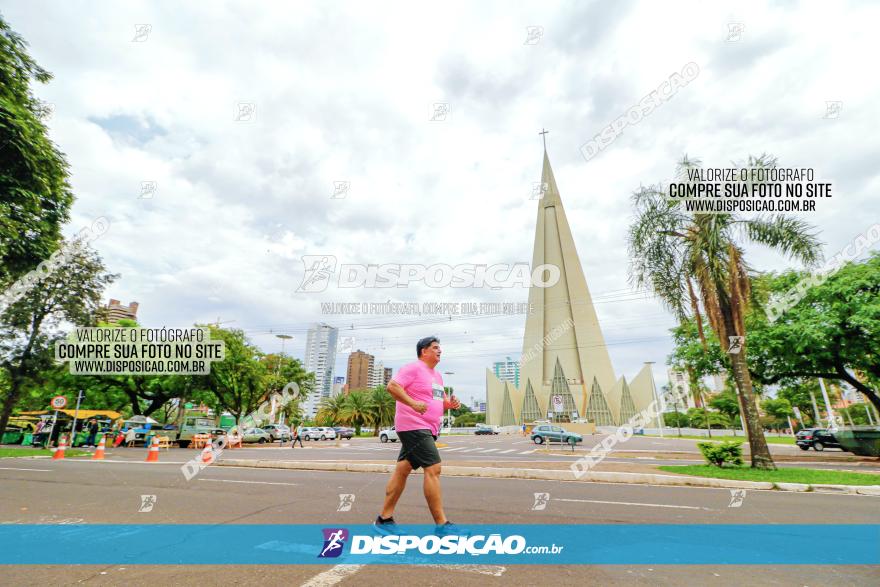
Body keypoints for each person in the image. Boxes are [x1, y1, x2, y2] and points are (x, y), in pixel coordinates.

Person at [373, 336, 466, 536]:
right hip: (414, 426)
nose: (440, 350)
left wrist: (448, 405)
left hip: (429, 428)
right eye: (435, 347)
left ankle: (384, 519)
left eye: (440, 347)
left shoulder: (438, 376)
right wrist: (412, 403)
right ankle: (442, 526)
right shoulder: (413, 368)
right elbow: (392, 387)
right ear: (424, 351)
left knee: (402, 470)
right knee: (433, 468)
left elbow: (436, 401)